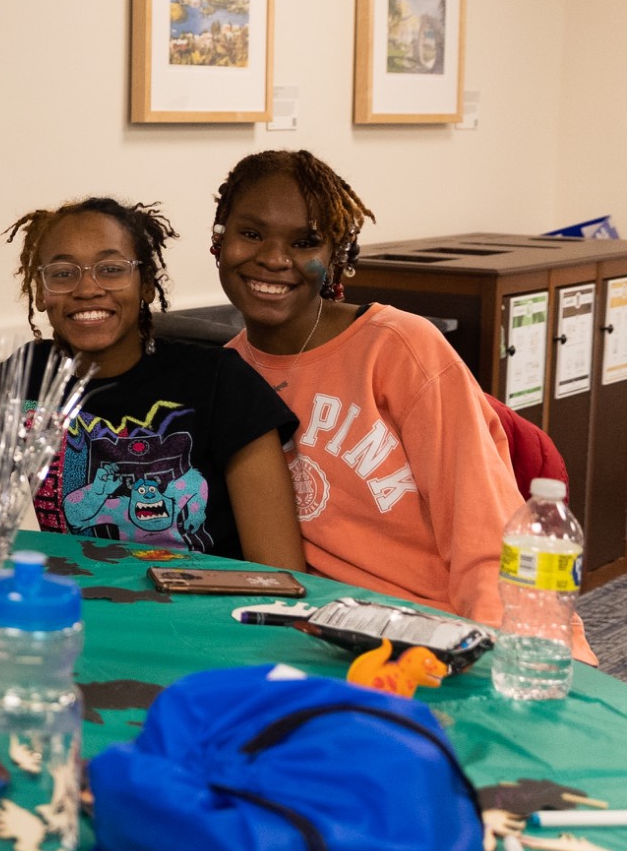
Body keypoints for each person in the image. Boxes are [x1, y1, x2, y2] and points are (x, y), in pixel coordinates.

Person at [211, 149, 531, 624]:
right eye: (252, 234)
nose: (274, 259)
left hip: (436, 624)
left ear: (335, 258)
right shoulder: (224, 375)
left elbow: (484, 534)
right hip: (316, 628)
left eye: (305, 242)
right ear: (218, 241)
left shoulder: (399, 348)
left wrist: (502, 657)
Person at [0, 197, 306, 567]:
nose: (87, 288)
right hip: (70, 602)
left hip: (199, 611)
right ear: (41, 291)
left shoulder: (220, 380)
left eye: (112, 269)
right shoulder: (23, 377)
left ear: (147, 284)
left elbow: (278, 570)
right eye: (62, 273)